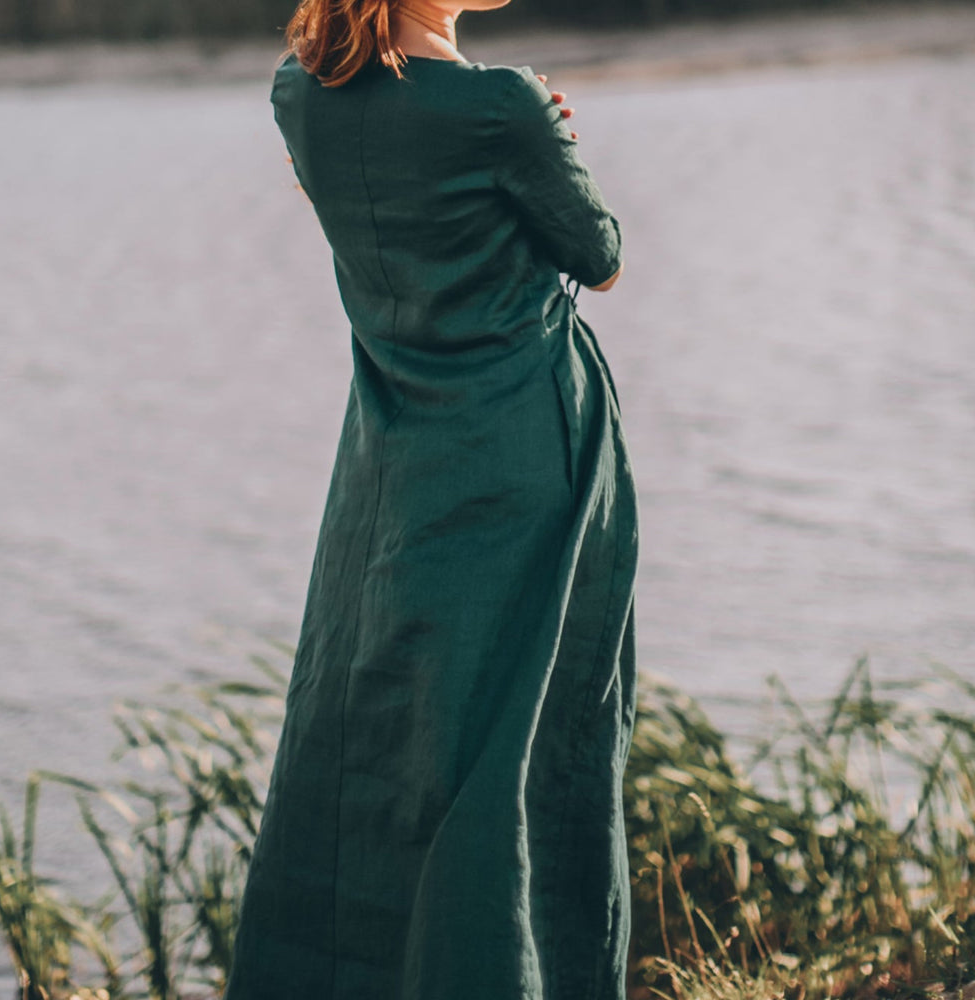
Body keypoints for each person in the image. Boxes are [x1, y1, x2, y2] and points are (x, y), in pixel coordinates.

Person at [223, 1, 638, 997]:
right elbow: (601, 256)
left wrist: (525, 135)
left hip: (393, 456)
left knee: (379, 724)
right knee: (529, 731)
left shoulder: (299, 94)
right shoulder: (501, 103)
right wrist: (545, 136)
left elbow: (393, 172)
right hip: (522, 452)